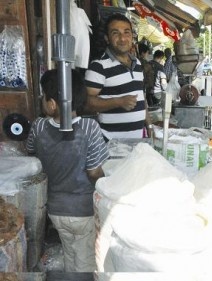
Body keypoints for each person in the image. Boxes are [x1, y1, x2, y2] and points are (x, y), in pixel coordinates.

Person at [26, 69, 109, 271]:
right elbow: (94, 172)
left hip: (54, 210)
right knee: (86, 261)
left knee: (71, 253)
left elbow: (30, 154)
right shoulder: (90, 128)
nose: (41, 100)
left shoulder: (38, 127)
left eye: (43, 96)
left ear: (52, 104)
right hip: (84, 211)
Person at [85, 13, 151, 140]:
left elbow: (142, 98)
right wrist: (118, 102)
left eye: (127, 32)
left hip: (136, 142)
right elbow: (85, 103)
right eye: (116, 33)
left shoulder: (137, 63)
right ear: (107, 38)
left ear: (132, 36)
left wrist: (149, 126)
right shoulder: (99, 66)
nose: (122, 38)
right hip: (110, 144)